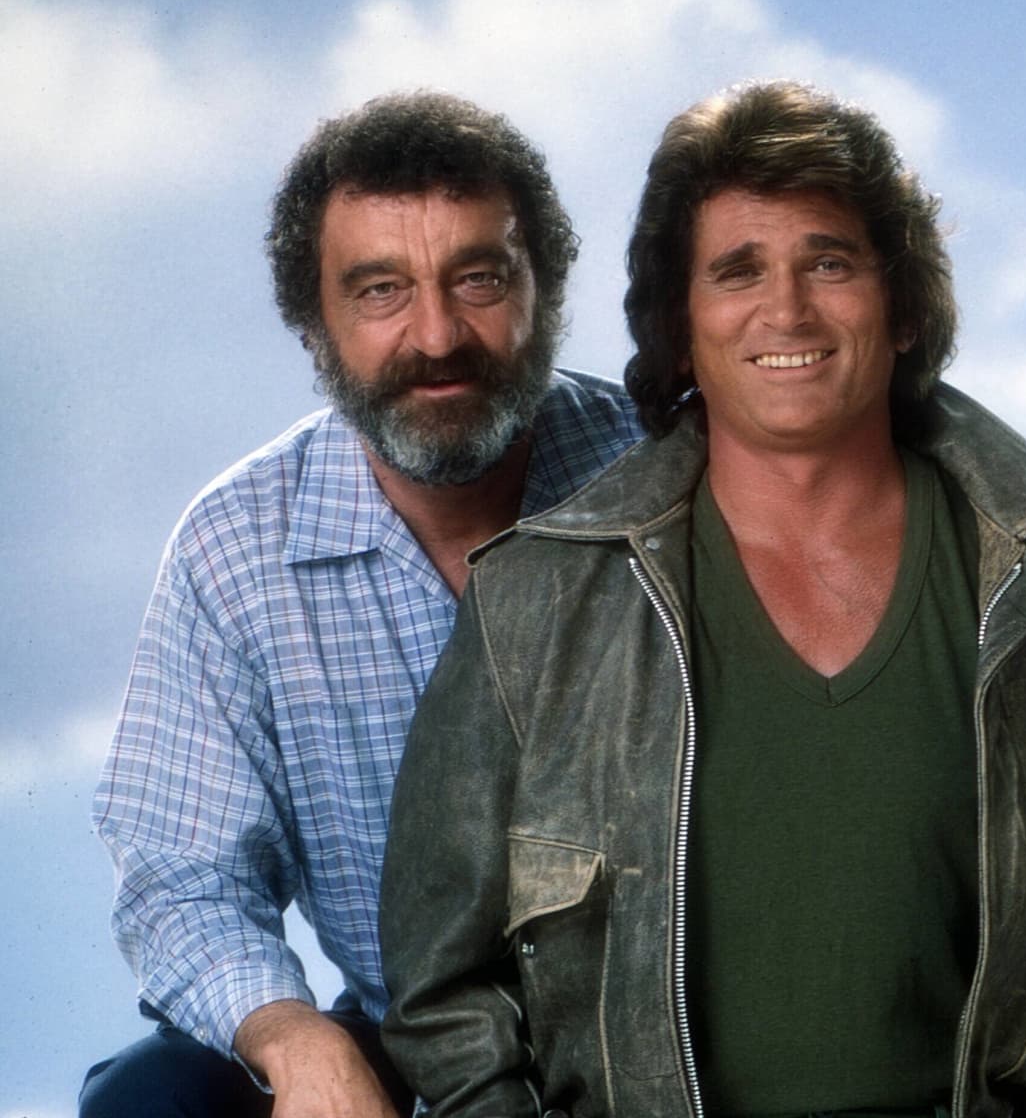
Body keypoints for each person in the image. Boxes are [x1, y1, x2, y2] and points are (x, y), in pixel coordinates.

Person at [379, 80, 1026, 1117]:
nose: (788, 310)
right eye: (738, 271)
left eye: (830, 262)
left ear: (903, 309)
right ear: (680, 329)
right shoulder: (533, 603)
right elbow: (443, 996)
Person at [80, 91, 643, 1118]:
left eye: (478, 278)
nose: (437, 333)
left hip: (659, 1035)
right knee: (150, 1096)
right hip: (410, 1044)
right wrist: (295, 1040)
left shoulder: (664, 473)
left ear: (547, 290)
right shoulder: (237, 548)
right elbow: (182, 876)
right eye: (381, 289)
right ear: (314, 324)